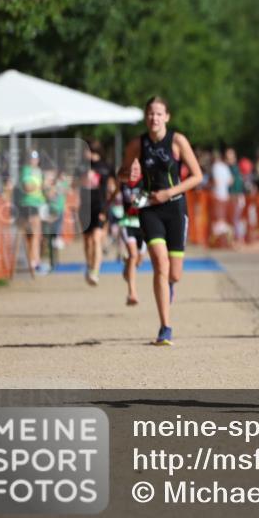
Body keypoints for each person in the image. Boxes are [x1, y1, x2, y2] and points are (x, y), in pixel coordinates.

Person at [119, 96, 203, 346]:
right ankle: (165, 327)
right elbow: (121, 174)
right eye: (150, 114)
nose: (153, 118)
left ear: (166, 117)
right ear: (146, 117)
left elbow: (197, 176)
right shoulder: (137, 144)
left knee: (174, 274)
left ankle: (170, 287)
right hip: (149, 207)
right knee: (159, 263)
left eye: (158, 114)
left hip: (175, 208)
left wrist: (169, 192)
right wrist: (128, 174)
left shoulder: (177, 141)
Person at [78, 144, 113, 285]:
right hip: (85, 208)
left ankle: (95, 272)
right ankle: (89, 265)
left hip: (100, 206)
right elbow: (74, 184)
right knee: (87, 241)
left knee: (96, 238)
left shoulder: (107, 167)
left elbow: (113, 185)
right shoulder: (81, 167)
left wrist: (109, 204)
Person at [115, 157, 146, 306]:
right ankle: (132, 293)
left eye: (136, 169)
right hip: (128, 223)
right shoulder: (124, 183)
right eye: (132, 169)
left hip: (144, 225)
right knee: (133, 255)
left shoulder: (146, 183)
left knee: (139, 259)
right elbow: (115, 194)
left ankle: (127, 267)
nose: (134, 172)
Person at [19, 150, 49, 276]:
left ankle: (36, 262)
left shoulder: (39, 172)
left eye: (36, 158)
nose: (34, 161)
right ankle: (33, 263)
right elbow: (27, 187)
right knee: (32, 235)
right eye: (32, 158)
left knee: (38, 235)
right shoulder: (27, 170)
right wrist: (42, 186)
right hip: (29, 204)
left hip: (38, 204)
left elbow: (43, 189)